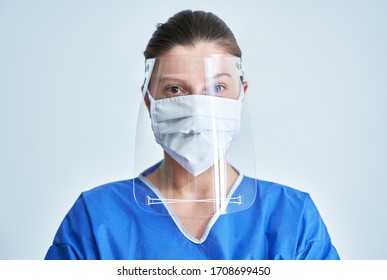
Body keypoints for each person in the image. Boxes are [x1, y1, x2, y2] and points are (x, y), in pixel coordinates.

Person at [45, 10, 339, 260]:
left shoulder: (292, 218)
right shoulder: (96, 219)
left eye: (217, 88)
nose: (199, 108)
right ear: (149, 102)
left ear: (241, 95)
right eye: (175, 89)